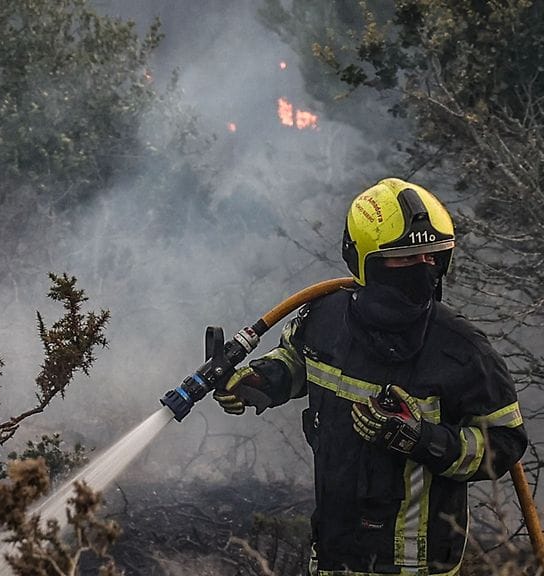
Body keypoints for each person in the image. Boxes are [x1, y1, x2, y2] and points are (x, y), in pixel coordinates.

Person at [213, 178, 527, 575]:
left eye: (432, 257)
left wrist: (422, 440)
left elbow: (505, 443)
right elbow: (297, 360)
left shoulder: (463, 351)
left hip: (416, 567)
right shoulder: (325, 319)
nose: (422, 269)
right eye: (405, 259)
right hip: (333, 554)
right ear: (364, 261)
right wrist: (260, 382)